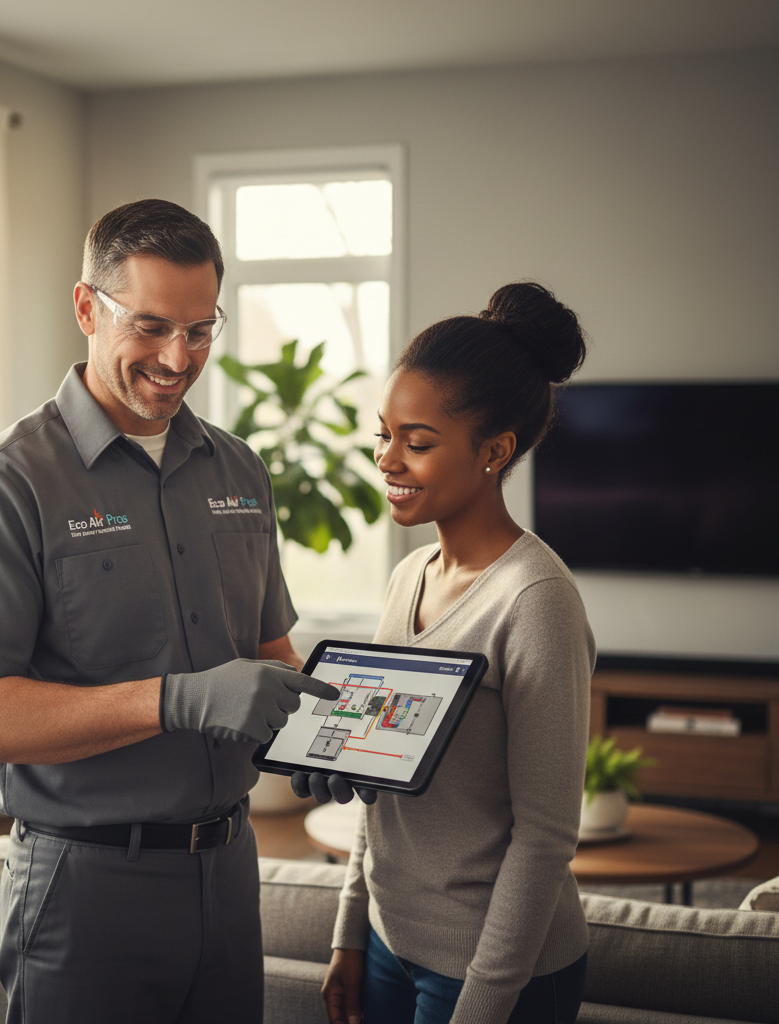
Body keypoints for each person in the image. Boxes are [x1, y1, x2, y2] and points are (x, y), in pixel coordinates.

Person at [0, 198, 337, 1024]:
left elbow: (270, 654)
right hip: (86, 888)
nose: (176, 358)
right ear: (87, 306)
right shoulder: (6, 484)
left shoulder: (239, 470)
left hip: (229, 874)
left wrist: (326, 738)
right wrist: (179, 699)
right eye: (150, 326)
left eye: (199, 330)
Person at [293, 282, 595, 1024]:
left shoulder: (535, 601)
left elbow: (547, 836)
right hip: (389, 946)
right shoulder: (406, 579)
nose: (387, 459)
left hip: (492, 973)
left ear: (495, 451)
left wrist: (484, 1000)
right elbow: (378, 777)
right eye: (384, 433)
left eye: (417, 442)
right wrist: (351, 935)